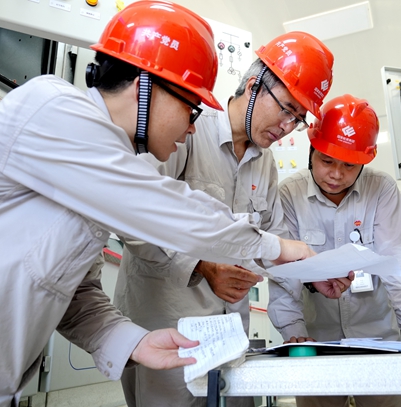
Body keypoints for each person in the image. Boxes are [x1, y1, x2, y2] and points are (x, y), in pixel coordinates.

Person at [0, 2, 315, 405]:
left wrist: (135, 342)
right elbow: (164, 206)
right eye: (190, 108)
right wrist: (276, 247)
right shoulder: (51, 107)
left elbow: (76, 297)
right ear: (145, 87)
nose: (193, 126)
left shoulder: (97, 182)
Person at [112, 31, 343, 407]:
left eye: (298, 120)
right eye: (286, 110)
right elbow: (135, 215)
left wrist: (313, 274)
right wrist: (202, 265)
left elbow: (273, 241)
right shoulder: (184, 130)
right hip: (166, 326)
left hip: (229, 335)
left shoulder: (265, 164)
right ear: (253, 87)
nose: (288, 127)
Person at [267, 94, 401, 407]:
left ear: (364, 162)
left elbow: (400, 273)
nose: (336, 174)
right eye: (327, 161)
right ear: (311, 150)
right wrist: (294, 333)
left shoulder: (381, 190)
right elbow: (283, 276)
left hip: (380, 343)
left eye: (349, 165)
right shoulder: (289, 195)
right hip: (317, 343)